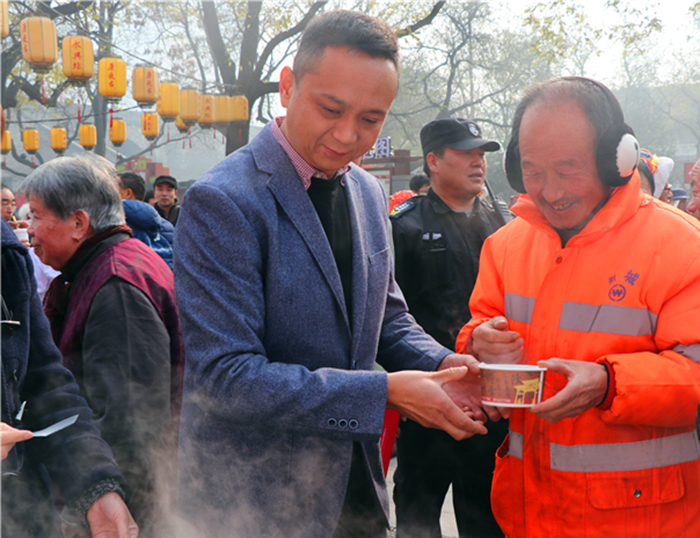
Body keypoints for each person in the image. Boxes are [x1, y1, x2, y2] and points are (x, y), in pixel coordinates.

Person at [174, 10, 488, 538]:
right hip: (254, 502)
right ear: (288, 86)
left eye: (370, 119)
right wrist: (383, 392)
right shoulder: (223, 201)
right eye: (330, 108)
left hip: (354, 489)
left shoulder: (367, 192)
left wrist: (447, 365)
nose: (346, 135)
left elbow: (386, 319)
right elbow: (225, 378)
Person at [456, 76, 700, 536]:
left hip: (645, 520)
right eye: (533, 170)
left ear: (617, 158)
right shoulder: (504, 247)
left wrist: (610, 382)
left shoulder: (682, 248)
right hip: (529, 515)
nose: (549, 191)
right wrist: (480, 343)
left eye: (568, 169)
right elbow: (477, 328)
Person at [21, 156, 185, 538]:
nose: (28, 230)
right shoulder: (110, 262)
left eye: (36, 216)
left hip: (128, 510)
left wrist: (93, 504)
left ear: (79, 223)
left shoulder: (115, 285)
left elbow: (129, 423)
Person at [390, 118, 508, 538]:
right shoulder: (403, 226)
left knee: (487, 518)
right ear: (433, 162)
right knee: (417, 518)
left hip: (492, 404)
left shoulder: (506, 225)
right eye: (466, 153)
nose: (478, 162)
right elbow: (388, 319)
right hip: (430, 399)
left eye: (482, 154)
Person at [2, 218, 138, 538]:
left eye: (37, 215)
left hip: (20, 515)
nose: (30, 229)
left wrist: (96, 485)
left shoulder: (6, 255)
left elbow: (46, 387)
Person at [117, 172, 175, 269]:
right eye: (160, 189)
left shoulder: (119, 226)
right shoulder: (167, 226)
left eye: (112, 189)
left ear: (128, 193)